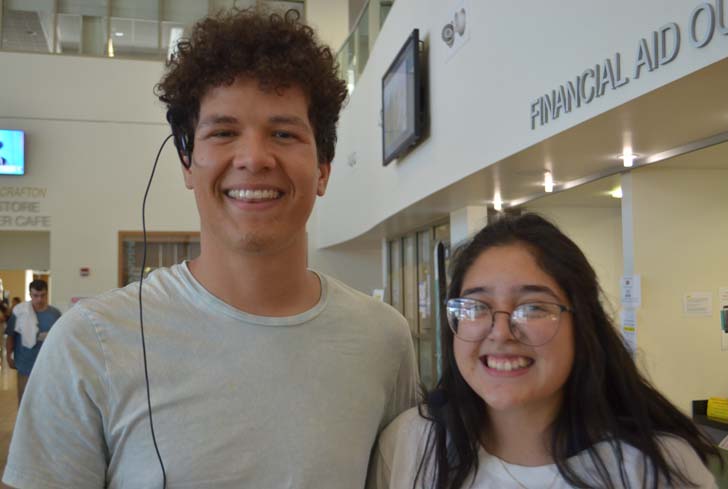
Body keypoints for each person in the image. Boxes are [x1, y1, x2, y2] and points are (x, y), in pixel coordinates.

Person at [3, 8, 417, 489]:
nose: (254, 158)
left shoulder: (384, 341)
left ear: (323, 168)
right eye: (223, 132)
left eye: (284, 133)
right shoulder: (90, 344)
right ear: (186, 162)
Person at [369, 213, 718, 489]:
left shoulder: (655, 467)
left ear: (582, 324)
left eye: (534, 307)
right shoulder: (411, 445)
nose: (501, 332)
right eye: (476, 307)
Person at [4, 279, 62, 405]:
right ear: (30, 295)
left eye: (42, 296)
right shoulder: (20, 312)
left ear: (47, 294)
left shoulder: (55, 314)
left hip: (47, 366)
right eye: (36, 296)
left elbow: (61, 339)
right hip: (25, 364)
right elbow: (11, 336)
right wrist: (9, 356)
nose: (39, 300)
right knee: (25, 403)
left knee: (46, 403)